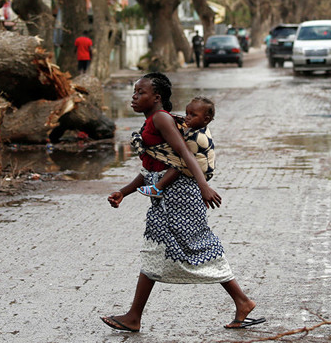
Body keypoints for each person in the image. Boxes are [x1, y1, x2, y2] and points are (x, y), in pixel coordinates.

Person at [101, 73, 264, 333]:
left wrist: (203, 186)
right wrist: (124, 192)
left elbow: (183, 154)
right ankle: (134, 316)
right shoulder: (152, 122)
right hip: (167, 196)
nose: (134, 97)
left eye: (140, 92)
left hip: (181, 195)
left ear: (157, 98)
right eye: (134, 92)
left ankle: (242, 300)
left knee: (196, 245)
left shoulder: (161, 118)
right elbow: (153, 167)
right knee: (157, 249)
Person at [135, 96, 216, 198]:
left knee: (178, 164)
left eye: (193, 115)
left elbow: (184, 156)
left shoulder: (197, 138)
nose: (187, 117)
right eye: (187, 113)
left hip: (201, 171)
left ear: (206, 119)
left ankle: (158, 187)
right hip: (198, 176)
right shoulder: (192, 128)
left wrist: (203, 187)